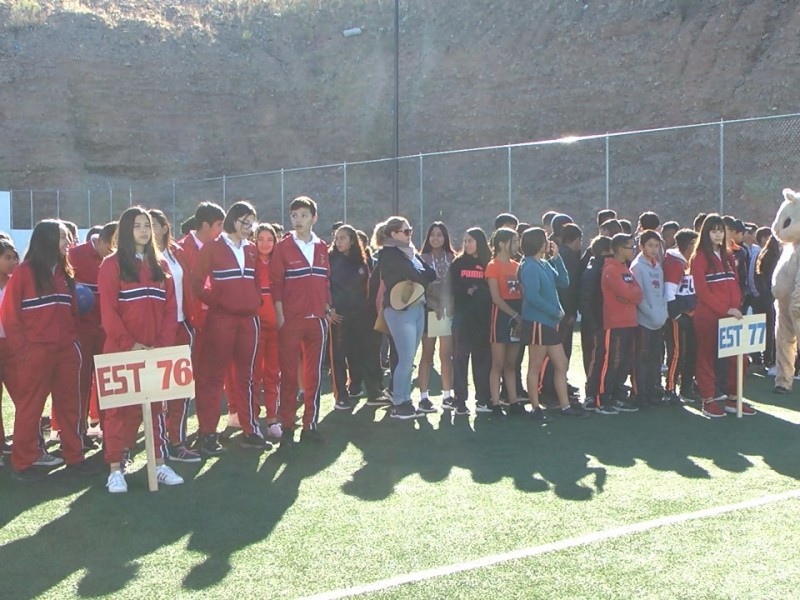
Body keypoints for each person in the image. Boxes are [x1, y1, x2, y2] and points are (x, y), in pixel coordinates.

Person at [1, 220, 101, 481]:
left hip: (66, 351)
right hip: (36, 353)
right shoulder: (24, 272)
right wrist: (24, 351)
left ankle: (74, 457)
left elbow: (72, 315)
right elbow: (9, 316)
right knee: (30, 408)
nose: (68, 243)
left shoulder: (66, 272)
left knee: (70, 405)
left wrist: (73, 343)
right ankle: (22, 464)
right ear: (47, 240)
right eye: (63, 238)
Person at [98, 207, 184, 492]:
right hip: (121, 350)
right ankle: (115, 469)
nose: (144, 231)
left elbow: (171, 309)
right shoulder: (111, 264)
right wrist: (129, 344)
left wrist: (160, 345)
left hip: (155, 351)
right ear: (125, 230)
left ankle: (158, 463)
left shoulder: (161, 264)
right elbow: (108, 310)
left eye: (147, 225)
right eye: (137, 226)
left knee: (156, 408)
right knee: (118, 411)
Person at [192, 200, 272, 455]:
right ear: (232, 220)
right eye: (244, 222)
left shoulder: (250, 249)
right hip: (221, 320)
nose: (249, 227)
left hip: (249, 320)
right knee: (213, 377)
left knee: (247, 377)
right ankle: (207, 433)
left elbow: (258, 280)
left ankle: (250, 429)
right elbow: (196, 282)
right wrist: (216, 301)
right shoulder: (213, 247)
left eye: (252, 223)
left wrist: (255, 299)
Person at [270, 196, 333, 441]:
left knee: (314, 375)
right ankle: (287, 425)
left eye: (304, 215)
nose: (298, 220)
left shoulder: (321, 247)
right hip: (291, 321)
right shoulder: (283, 247)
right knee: (288, 376)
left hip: (316, 319)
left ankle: (310, 425)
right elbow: (275, 284)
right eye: (294, 215)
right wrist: (280, 316)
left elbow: (325, 280)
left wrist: (326, 307)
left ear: (314, 218)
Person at [689, 214, 756, 417]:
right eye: (713, 230)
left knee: (739, 358)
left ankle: (733, 399)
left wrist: (735, 307)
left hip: (732, 315)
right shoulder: (699, 257)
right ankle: (708, 400)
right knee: (706, 356)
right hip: (708, 316)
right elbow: (702, 291)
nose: (718, 234)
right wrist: (725, 309)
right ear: (706, 233)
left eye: (720, 230)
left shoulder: (728, 255)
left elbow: (735, 283)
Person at [149, 209, 202, 463]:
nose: (150, 229)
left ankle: (177, 441)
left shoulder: (176, 251)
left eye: (155, 224)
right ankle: (158, 446)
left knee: (180, 389)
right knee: (157, 392)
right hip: (158, 330)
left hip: (182, 325)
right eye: (144, 225)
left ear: (164, 227)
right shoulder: (142, 257)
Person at [517, 227, 587, 419]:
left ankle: (565, 407)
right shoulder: (529, 265)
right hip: (538, 322)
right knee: (535, 365)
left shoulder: (544, 264)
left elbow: (563, 282)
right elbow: (532, 297)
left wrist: (557, 258)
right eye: (544, 239)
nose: (548, 241)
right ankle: (535, 408)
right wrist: (555, 311)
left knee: (561, 363)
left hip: (549, 323)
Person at [58, 220, 116, 446]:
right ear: (100, 240)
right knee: (79, 383)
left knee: (108, 382)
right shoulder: (75, 255)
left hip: (108, 332)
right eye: (111, 246)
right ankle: (77, 433)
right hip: (81, 331)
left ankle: (109, 431)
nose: (113, 252)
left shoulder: (119, 260)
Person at [376, 216, 436, 419]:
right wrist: (420, 275)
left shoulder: (410, 252)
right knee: (405, 358)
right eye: (406, 231)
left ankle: (404, 400)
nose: (410, 234)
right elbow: (421, 276)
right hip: (400, 309)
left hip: (417, 306)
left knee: (408, 358)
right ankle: (399, 402)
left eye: (410, 230)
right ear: (394, 234)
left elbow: (431, 273)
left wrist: (420, 275)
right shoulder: (390, 253)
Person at [328, 224, 379, 411]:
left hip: (360, 315)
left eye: (343, 237)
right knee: (339, 356)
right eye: (337, 237)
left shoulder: (361, 260)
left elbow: (366, 289)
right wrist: (329, 309)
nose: (338, 241)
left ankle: (357, 388)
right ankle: (341, 396)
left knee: (359, 353)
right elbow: (324, 286)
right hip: (339, 316)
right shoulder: (330, 259)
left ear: (352, 240)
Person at [596, 233, 642, 415]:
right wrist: (630, 294)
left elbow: (638, 293)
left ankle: (616, 396)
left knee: (624, 361)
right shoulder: (611, 270)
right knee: (611, 362)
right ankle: (602, 399)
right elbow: (631, 293)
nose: (634, 250)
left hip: (629, 322)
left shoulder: (625, 269)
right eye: (631, 247)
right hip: (614, 324)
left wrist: (630, 294)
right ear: (620, 249)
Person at [448, 227, 492, 415]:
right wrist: (466, 291)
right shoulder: (458, 264)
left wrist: (480, 291)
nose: (466, 244)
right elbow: (452, 288)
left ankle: (483, 400)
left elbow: (492, 289)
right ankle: (460, 401)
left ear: (479, 243)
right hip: (462, 319)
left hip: (482, 320)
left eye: (470, 241)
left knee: (482, 361)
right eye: (465, 241)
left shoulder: (488, 262)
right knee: (460, 360)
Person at [485, 227, 526, 417]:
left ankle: (514, 401)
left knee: (511, 363)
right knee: (498, 363)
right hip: (501, 317)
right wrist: (515, 316)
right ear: (502, 244)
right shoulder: (493, 265)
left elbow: (522, 292)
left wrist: (521, 316)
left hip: (517, 315)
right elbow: (496, 297)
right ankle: (495, 403)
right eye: (514, 241)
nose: (517, 245)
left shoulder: (517, 265)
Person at [417, 221, 455, 411]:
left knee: (446, 355)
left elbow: (454, 287)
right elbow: (421, 288)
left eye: (439, 234)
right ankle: (423, 397)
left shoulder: (452, 257)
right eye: (432, 234)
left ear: (445, 237)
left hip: (447, 311)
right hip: (428, 311)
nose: (435, 238)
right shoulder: (422, 258)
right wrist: (434, 305)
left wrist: (445, 306)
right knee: (427, 354)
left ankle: (447, 396)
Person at [630, 230, 668, 407]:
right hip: (643, 322)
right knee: (641, 359)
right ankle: (640, 394)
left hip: (658, 321)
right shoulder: (637, 267)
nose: (654, 249)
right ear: (641, 246)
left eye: (656, 245)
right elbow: (639, 296)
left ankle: (653, 391)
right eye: (650, 245)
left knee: (655, 359)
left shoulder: (657, 265)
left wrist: (663, 312)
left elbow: (661, 293)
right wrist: (651, 313)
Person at [663, 228, 698, 404]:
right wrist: (676, 315)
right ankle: (669, 390)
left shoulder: (687, 262)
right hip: (678, 318)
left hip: (689, 315)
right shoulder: (674, 263)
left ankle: (686, 388)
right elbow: (669, 292)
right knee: (677, 353)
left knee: (690, 352)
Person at [254, 223, 281, 439]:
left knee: (273, 373)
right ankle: (252, 419)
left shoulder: (279, 263)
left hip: (276, 327)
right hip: (254, 327)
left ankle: (273, 418)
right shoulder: (249, 261)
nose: (265, 243)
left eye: (269, 239)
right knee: (253, 375)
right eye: (260, 238)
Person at [579, 235, 613, 410]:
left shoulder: (599, 267)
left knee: (602, 358)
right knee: (595, 359)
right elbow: (585, 300)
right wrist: (594, 324)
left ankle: (602, 391)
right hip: (595, 324)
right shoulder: (594, 270)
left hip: (600, 322)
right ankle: (591, 395)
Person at [0, 235, 19, 467]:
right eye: (7, 258)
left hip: (15, 347)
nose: (14, 262)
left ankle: (29, 445)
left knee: (24, 398)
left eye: (15, 257)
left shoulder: (17, 282)